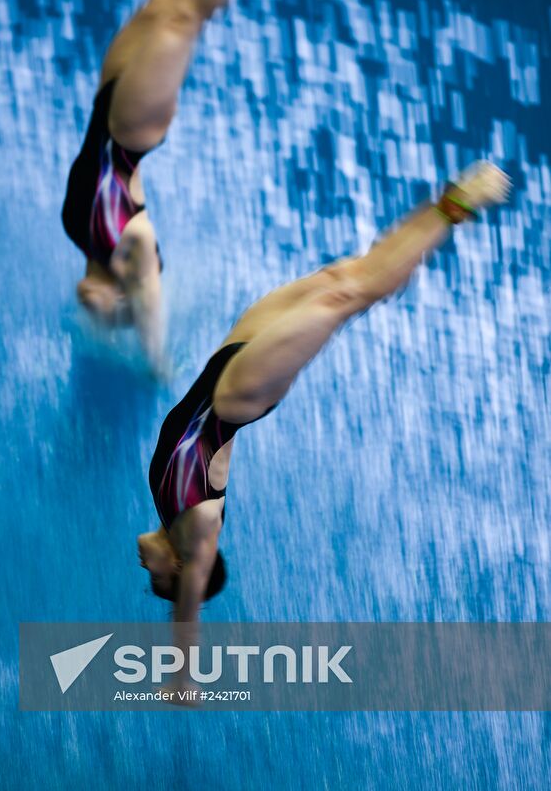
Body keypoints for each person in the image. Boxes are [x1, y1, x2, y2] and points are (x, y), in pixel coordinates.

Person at [138, 161, 511, 628]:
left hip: (228, 358)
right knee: (343, 299)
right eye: (154, 580)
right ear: (178, 570)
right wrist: (182, 675)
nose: (143, 570)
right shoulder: (199, 531)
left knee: (342, 278)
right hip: (240, 393)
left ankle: (446, 204)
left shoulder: (167, 505)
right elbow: (189, 598)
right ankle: (455, 207)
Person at [61, 0, 273, 369]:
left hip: (107, 96)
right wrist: (157, 365)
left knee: (173, 2)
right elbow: (150, 312)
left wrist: (103, 303)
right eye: (103, 310)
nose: (88, 301)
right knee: (187, 14)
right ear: (124, 299)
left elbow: (94, 295)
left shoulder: (83, 234)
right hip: (131, 129)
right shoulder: (133, 244)